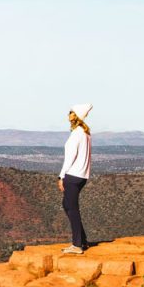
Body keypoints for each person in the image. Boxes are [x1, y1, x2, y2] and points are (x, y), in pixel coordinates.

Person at [58, 103, 93, 255]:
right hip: (82, 175)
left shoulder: (77, 134)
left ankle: (77, 245)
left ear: (75, 116)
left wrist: (61, 176)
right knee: (67, 204)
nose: (68, 115)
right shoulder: (86, 134)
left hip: (72, 175)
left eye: (70, 112)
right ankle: (82, 239)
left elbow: (70, 158)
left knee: (72, 208)